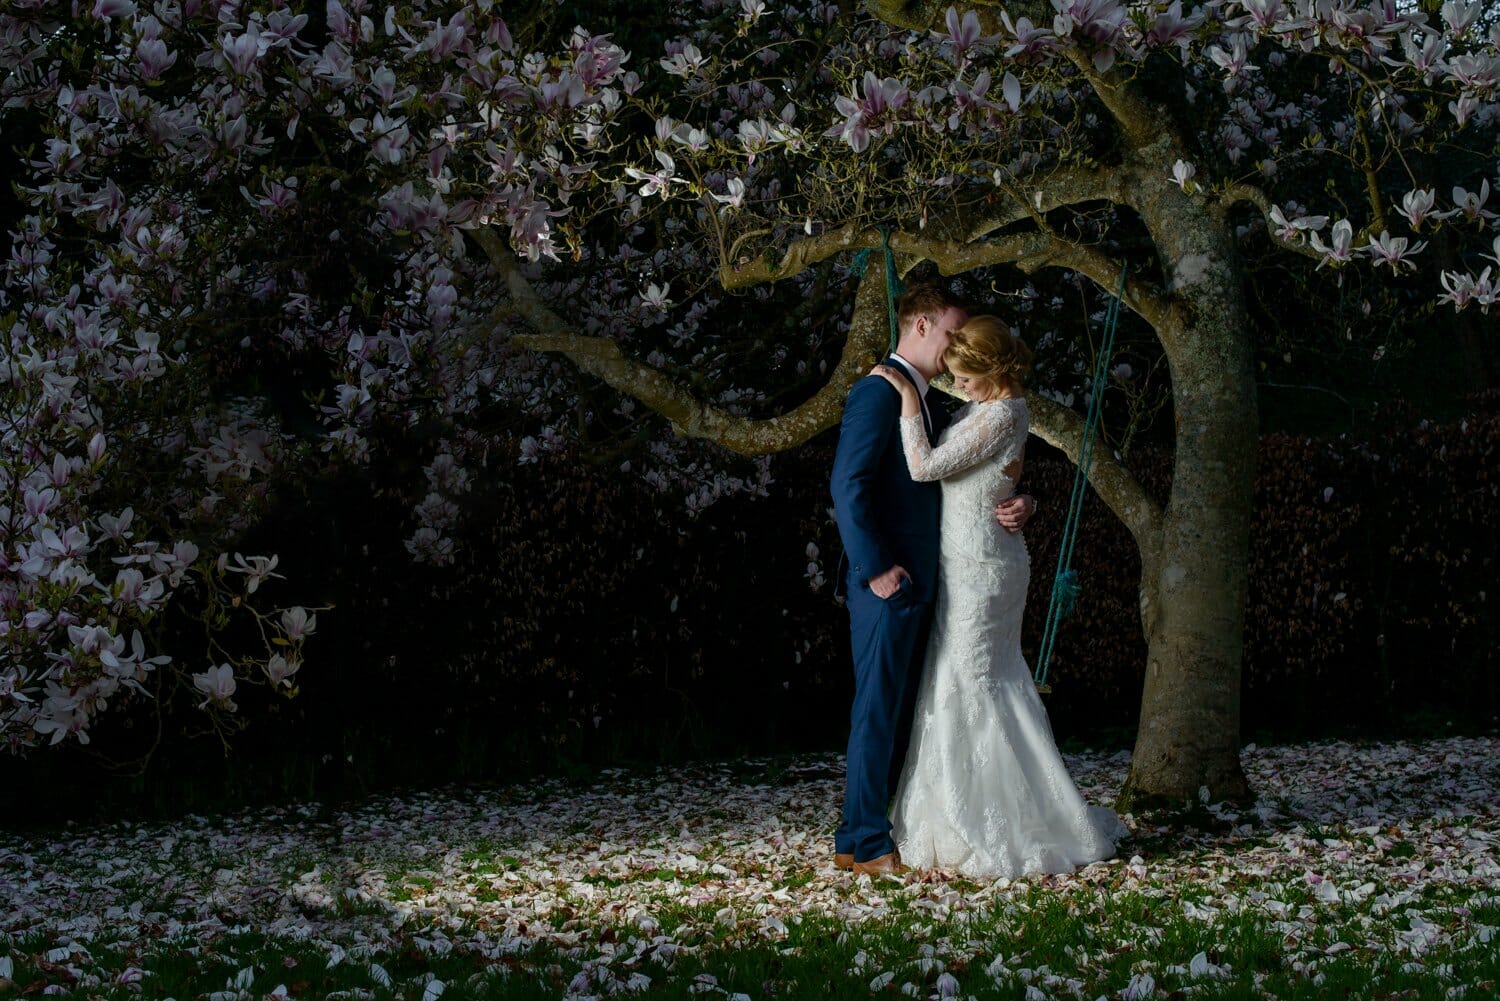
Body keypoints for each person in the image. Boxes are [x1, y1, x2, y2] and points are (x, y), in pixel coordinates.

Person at [871, 315, 1127, 879]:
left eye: (964, 378)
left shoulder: (1004, 413)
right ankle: (956, 815)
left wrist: (908, 400)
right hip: (968, 562)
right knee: (961, 679)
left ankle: (992, 824)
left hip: (983, 570)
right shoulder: (988, 405)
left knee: (975, 681)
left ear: (990, 373)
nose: (955, 385)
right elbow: (995, 472)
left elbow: (924, 466)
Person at [829, 285, 1035, 876]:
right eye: (951, 331)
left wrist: (1022, 501)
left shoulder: (934, 406)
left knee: (899, 712)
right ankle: (864, 841)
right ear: (920, 324)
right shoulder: (877, 392)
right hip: (889, 584)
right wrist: (875, 571)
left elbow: (978, 475)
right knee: (877, 709)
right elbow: (849, 487)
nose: (956, 347)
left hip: (939, 583)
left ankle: (864, 835)